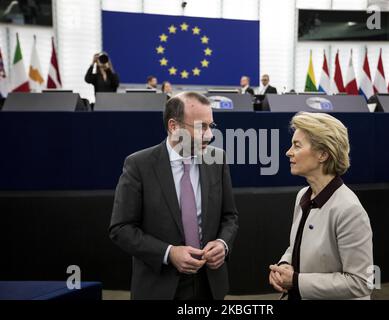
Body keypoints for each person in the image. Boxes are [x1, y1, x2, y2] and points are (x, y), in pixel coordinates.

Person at [109, 92, 239, 300]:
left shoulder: (217, 159)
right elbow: (121, 228)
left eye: (210, 126)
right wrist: (168, 253)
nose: (209, 135)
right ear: (173, 126)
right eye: (200, 127)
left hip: (210, 285)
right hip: (159, 287)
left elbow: (230, 216)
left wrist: (223, 244)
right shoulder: (139, 165)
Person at [269, 112, 373, 300]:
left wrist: (296, 281)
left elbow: (362, 283)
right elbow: (297, 247)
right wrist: (285, 263)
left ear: (323, 154)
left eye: (297, 145)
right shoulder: (303, 195)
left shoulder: (349, 210)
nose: (288, 152)